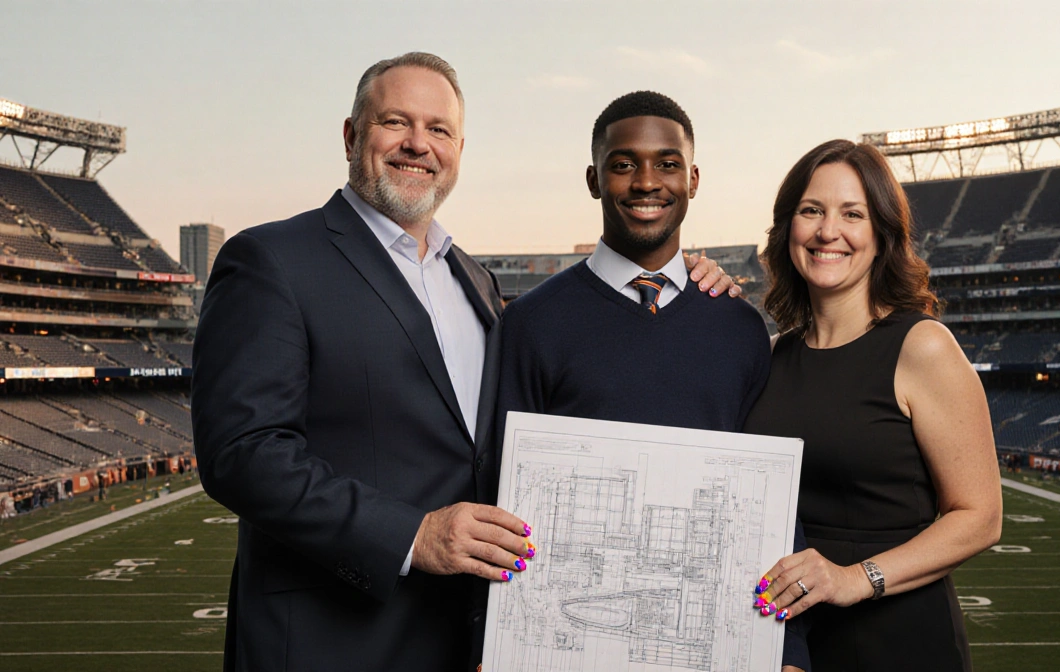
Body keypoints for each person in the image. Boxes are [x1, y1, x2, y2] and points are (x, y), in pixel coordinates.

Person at [192, 55, 732, 672]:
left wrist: (683, 289)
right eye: (395, 122)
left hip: (460, 634)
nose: (418, 144)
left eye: (439, 129)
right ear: (351, 135)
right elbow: (243, 453)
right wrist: (412, 536)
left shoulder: (473, 278)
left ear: (458, 149)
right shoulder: (273, 259)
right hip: (332, 636)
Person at [497, 90, 810, 670]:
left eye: (667, 164)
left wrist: (787, 648)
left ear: (693, 179)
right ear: (594, 179)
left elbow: (763, 507)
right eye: (623, 164)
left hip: (712, 640)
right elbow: (497, 494)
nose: (647, 181)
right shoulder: (530, 323)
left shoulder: (739, 326)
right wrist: (488, 641)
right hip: (566, 643)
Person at [743, 139, 1003, 672]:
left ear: (883, 235)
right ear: (786, 228)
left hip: (897, 640)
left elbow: (981, 517)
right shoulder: (770, 356)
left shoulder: (922, 346)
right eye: (810, 210)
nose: (827, 231)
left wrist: (853, 578)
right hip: (789, 644)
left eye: (852, 214)